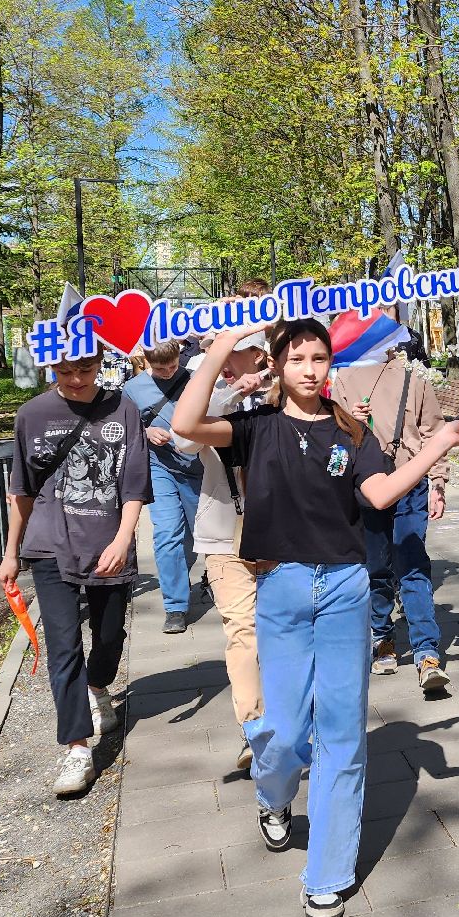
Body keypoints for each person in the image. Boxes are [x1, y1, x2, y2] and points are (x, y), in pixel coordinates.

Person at [174, 318, 459, 917]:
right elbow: (185, 424)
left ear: (332, 364)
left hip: (344, 590)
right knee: (283, 732)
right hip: (279, 587)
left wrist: (437, 446)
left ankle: (328, 874)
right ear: (279, 365)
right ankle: (273, 794)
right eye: (298, 359)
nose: (310, 370)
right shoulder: (254, 428)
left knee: (341, 736)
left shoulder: (352, 431)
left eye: (320, 358)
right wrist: (223, 345)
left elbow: (379, 494)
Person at [0, 350, 150, 798]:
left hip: (107, 541)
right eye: (65, 371)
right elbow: (21, 490)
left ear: (100, 363)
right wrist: (11, 553)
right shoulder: (33, 414)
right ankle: (77, 748)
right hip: (49, 544)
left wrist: (123, 538)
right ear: (51, 368)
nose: (76, 379)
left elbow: (134, 483)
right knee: (63, 647)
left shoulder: (123, 408)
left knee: (110, 634)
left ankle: (97, 686)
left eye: (85, 369)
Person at [175, 330, 273, 770]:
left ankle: (292, 718)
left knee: (285, 631)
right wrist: (232, 393)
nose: (224, 361)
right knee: (242, 630)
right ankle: (255, 730)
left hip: (288, 534)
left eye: (233, 352)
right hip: (225, 532)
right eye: (217, 353)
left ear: (259, 353)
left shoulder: (287, 388)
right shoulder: (211, 392)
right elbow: (184, 440)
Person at [331, 341, 453, 692]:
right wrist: (349, 421)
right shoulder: (344, 376)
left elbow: (433, 431)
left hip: (410, 483)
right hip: (366, 487)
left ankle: (426, 652)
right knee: (376, 567)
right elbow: (332, 444)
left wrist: (438, 482)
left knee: (412, 565)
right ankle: (382, 636)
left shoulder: (414, 375)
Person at [123, 339, 203, 634]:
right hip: (159, 466)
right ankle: (175, 606)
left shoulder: (195, 379)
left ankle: (194, 578)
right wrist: (146, 432)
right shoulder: (133, 389)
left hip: (198, 467)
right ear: (146, 362)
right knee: (168, 533)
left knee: (198, 534)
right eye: (161, 369)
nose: (169, 372)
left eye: (173, 366)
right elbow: (127, 427)